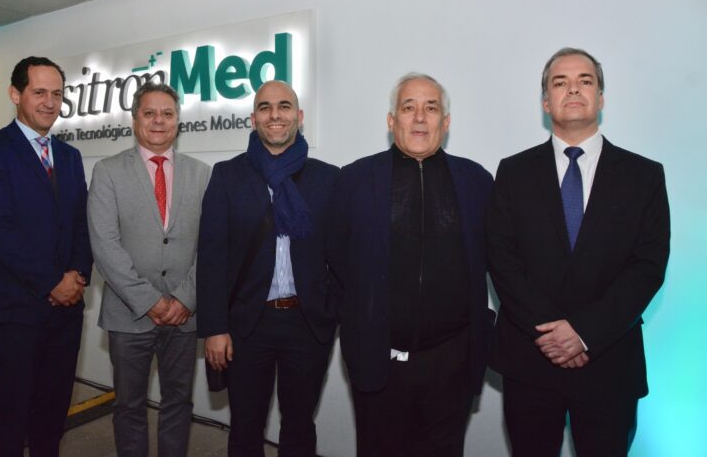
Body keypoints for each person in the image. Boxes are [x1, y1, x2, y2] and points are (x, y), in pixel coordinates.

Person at [486, 48, 670, 456]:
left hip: (610, 363)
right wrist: (552, 335)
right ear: (545, 102)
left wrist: (584, 333)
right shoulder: (512, 172)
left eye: (585, 81)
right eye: (560, 82)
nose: (573, 89)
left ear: (600, 98)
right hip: (530, 362)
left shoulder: (644, 176)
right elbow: (501, 258)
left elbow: (648, 265)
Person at [329, 73, 494, 456]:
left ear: (445, 122)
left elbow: (493, 257)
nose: (420, 117)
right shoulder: (355, 180)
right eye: (409, 107)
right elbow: (336, 257)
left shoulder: (476, 181)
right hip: (378, 358)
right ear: (392, 121)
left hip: (453, 361)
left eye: (431, 108)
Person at [196, 80, 338, 457]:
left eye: (284, 106)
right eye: (265, 107)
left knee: (299, 427)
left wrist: (332, 309)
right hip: (246, 325)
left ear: (299, 116)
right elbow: (211, 257)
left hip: (307, 324)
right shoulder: (227, 175)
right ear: (253, 118)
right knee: (245, 427)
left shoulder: (328, 178)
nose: (275, 115)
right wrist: (214, 327)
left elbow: (342, 255)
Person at [0, 56, 93, 456]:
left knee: (52, 417)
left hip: (65, 313)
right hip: (12, 312)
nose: (50, 102)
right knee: (10, 417)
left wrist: (78, 275)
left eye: (57, 94)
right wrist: (53, 282)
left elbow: (81, 224)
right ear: (15, 94)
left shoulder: (69, 156)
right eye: (39, 92)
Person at [87, 82, 211, 457]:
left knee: (178, 403)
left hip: (184, 315)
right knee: (129, 406)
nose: (159, 121)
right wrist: (151, 301)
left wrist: (185, 298)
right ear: (134, 119)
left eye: (167, 114)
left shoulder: (203, 174)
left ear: (178, 122)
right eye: (150, 113)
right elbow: (105, 246)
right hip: (129, 315)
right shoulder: (108, 172)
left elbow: (212, 246)